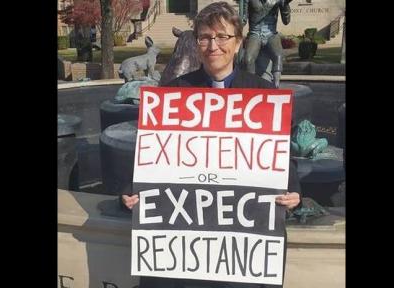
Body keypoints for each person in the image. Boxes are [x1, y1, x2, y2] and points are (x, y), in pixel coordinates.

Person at [122, 2, 301, 287]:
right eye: (204, 37)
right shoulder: (172, 94)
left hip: (241, 251)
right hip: (183, 250)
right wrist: (134, 190)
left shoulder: (264, 95)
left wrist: (294, 193)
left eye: (222, 36)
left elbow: (279, 158)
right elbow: (152, 155)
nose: (212, 45)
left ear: (239, 41)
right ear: (196, 43)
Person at [241, 0, 292, 88]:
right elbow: (243, 20)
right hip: (255, 33)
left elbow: (286, 21)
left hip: (271, 34)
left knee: (278, 56)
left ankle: (276, 85)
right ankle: (251, 86)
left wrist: (285, 5)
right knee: (248, 59)